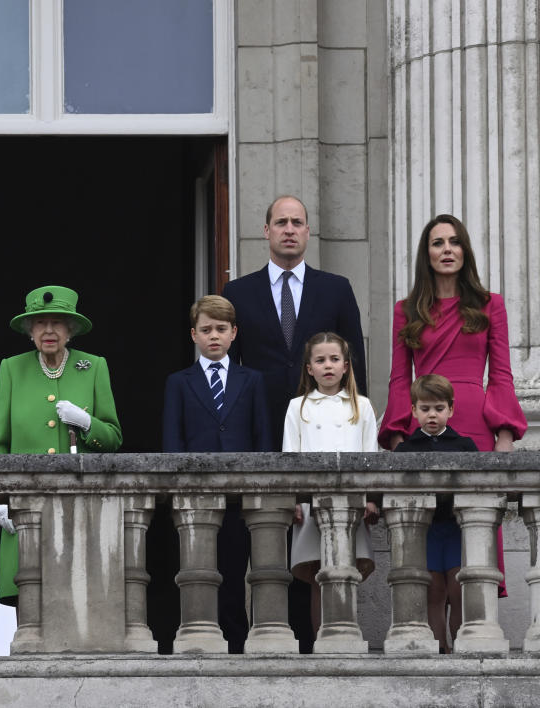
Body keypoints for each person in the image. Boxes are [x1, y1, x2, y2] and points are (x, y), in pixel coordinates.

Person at [222, 194, 366, 651]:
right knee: (247, 535)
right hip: (255, 430)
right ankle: (243, 636)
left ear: (307, 232)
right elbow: (230, 366)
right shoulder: (238, 294)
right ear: (265, 231)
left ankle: (308, 639)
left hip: (321, 430)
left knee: (311, 534)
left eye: (297, 222)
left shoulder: (336, 288)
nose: (289, 229)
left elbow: (354, 363)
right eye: (280, 222)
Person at [377, 214, 528, 595]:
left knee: (474, 528)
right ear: (426, 255)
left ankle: (474, 627)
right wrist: (397, 437)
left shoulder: (490, 304)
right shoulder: (405, 309)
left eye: (454, 242)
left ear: (465, 251)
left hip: (475, 426)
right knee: (426, 530)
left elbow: (502, 375)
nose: (447, 250)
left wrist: (505, 435)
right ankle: (431, 637)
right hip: (421, 428)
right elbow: (399, 378)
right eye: (438, 243)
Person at [0, 285, 122, 608]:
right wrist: (1, 499)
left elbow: (113, 438)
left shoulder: (93, 367)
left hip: (77, 506)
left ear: (71, 329)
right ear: (29, 329)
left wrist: (87, 424)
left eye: (58, 323)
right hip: (26, 506)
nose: (49, 331)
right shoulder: (11, 368)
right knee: (30, 601)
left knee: (77, 602)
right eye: (40, 323)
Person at [162, 295, 272, 653]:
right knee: (197, 570)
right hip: (195, 497)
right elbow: (172, 441)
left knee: (237, 569)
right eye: (206, 329)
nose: (214, 336)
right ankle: (198, 638)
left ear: (234, 333)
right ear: (193, 334)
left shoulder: (252, 380)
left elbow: (263, 439)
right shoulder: (179, 382)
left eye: (221, 329)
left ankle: (237, 643)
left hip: (241, 496)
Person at [282, 332, 378, 638]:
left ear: (346, 366)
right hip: (312, 506)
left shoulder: (361, 406)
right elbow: (289, 457)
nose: (328, 366)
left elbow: (370, 457)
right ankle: (320, 640)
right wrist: (293, 499)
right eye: (320, 360)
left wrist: (372, 498)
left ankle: (347, 637)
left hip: (351, 503)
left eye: (334, 359)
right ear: (309, 368)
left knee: (346, 572)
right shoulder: (297, 407)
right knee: (318, 576)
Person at [394, 374, 478, 653]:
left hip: (455, 529)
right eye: (425, 408)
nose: (432, 415)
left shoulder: (465, 446)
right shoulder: (406, 449)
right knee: (434, 593)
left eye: (439, 408)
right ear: (414, 410)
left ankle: (461, 646)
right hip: (424, 531)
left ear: (451, 410)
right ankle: (440, 648)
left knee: (457, 591)